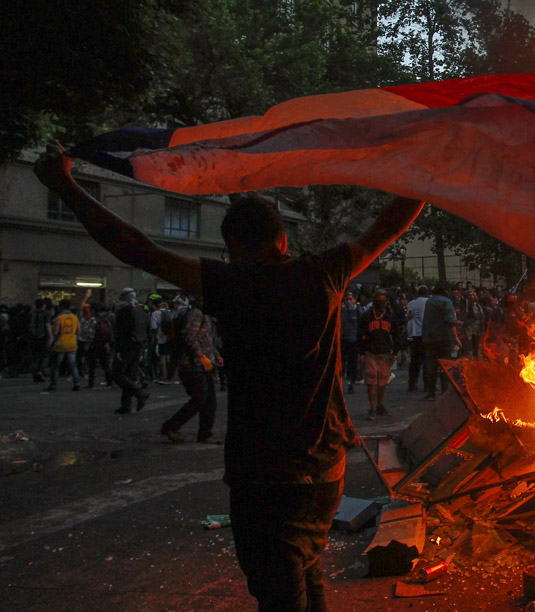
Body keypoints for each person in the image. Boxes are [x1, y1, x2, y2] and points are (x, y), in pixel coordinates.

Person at [34, 142, 423, 612]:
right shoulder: (323, 274)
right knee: (307, 572)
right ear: (283, 241)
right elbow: (388, 225)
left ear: (232, 248)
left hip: (266, 477)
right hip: (326, 471)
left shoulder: (231, 284)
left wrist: (69, 188)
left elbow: (138, 248)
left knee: (282, 591)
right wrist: (428, 168)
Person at [160, 300, 221, 444]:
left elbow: (208, 341)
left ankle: (205, 434)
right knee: (200, 399)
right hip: (193, 365)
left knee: (209, 402)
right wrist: (201, 355)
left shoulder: (207, 317)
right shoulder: (196, 314)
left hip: (204, 365)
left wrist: (215, 355)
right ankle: (171, 426)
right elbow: (190, 336)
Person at [358, 289, 397, 420]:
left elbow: (396, 334)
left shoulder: (390, 316)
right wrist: (362, 353)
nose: (381, 301)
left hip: (385, 353)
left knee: (382, 382)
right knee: (371, 381)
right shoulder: (367, 316)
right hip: (371, 353)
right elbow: (360, 335)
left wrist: (395, 352)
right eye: (379, 298)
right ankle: (372, 408)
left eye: (383, 298)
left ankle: (379, 406)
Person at [111, 288, 151, 413]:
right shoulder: (141, 310)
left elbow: (121, 331)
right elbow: (148, 328)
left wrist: (118, 349)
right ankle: (126, 404)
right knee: (130, 374)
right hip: (138, 344)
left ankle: (139, 393)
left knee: (117, 373)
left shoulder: (124, 311)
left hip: (126, 346)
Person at [421, 282, 461, 399]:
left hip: (430, 338)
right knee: (445, 365)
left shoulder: (430, 301)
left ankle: (430, 392)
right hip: (444, 337)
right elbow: (450, 322)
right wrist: (456, 338)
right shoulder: (446, 302)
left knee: (431, 366)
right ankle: (445, 391)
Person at [45, 298, 82, 391]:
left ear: (61, 307)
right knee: (73, 365)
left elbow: (56, 332)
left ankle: (53, 384)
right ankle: (77, 382)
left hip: (60, 344)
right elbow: (79, 331)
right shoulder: (75, 317)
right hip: (72, 344)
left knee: (55, 365)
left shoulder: (59, 318)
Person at [405, 285, 429, 392]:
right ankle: (428, 384)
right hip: (426, 334)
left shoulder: (411, 303)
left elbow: (409, 316)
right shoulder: (429, 302)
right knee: (427, 361)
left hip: (415, 334)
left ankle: (412, 383)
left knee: (415, 361)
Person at [340, 290, 361, 394]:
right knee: (342, 363)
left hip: (354, 341)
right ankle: (341, 383)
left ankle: (351, 383)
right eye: (347, 299)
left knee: (353, 363)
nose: (349, 301)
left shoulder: (358, 312)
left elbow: (361, 327)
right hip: (343, 340)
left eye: (350, 299)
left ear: (354, 300)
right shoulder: (342, 312)